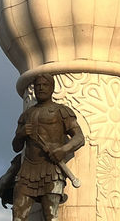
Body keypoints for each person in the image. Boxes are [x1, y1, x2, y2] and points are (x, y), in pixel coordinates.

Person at [11, 73, 85, 221]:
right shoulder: (26, 115)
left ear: (52, 88)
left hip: (52, 170)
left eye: (45, 85)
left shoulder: (61, 111)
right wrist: (21, 134)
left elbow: (79, 138)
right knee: (17, 215)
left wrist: (63, 150)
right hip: (27, 171)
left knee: (51, 216)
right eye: (37, 85)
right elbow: (16, 147)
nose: (41, 88)